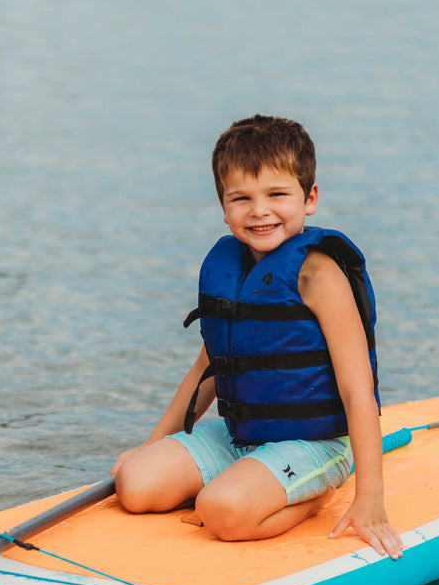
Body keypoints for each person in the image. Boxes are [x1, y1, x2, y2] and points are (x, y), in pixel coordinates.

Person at [111, 115, 403, 560]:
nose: (259, 210)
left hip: (314, 443)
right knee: (133, 483)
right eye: (241, 198)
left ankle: (310, 499)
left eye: (277, 194)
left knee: (222, 512)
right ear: (224, 208)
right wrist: (152, 445)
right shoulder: (234, 271)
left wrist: (370, 500)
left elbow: (356, 388)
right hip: (240, 436)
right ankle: (245, 483)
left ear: (310, 198)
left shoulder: (318, 275)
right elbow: (209, 368)